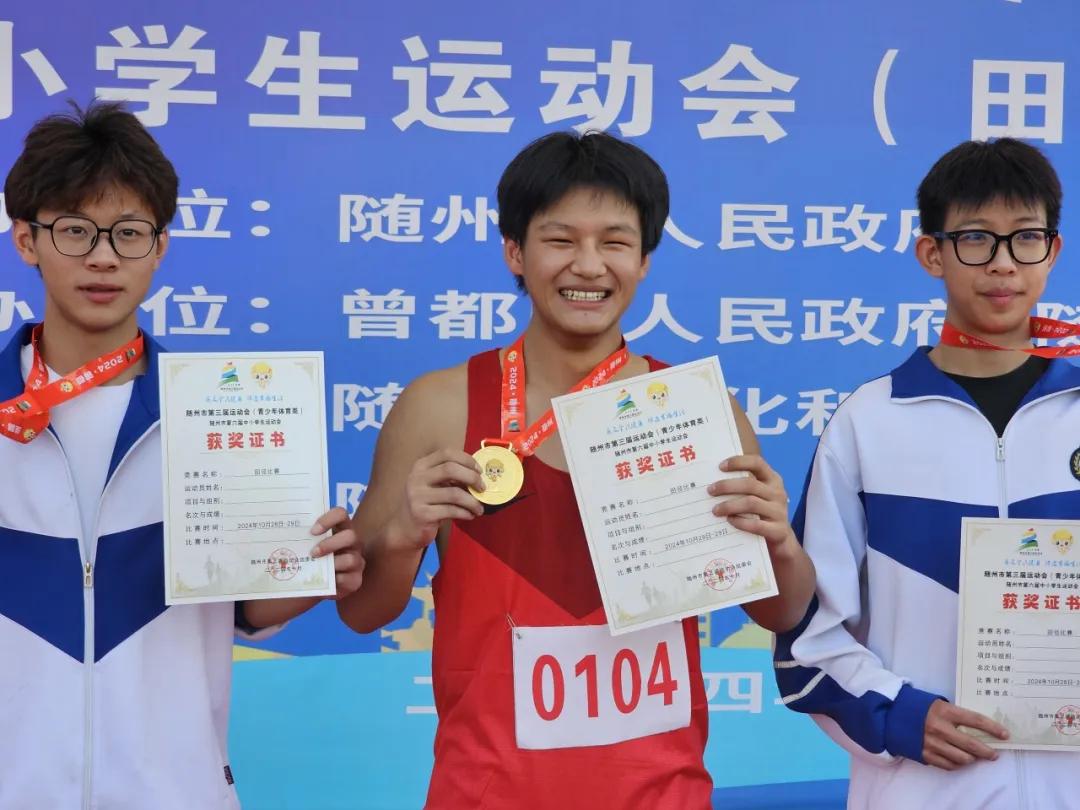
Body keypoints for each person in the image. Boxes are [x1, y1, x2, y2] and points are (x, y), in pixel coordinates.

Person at [332, 130, 815, 808]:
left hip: (662, 794)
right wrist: (403, 536)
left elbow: (782, 611)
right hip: (485, 795)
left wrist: (780, 544)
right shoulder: (438, 406)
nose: (588, 266)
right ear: (515, 252)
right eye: (560, 240)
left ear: (644, 260)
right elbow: (360, 611)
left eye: (615, 242)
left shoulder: (696, 411)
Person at [0, 101, 363, 810]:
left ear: (160, 247)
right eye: (74, 230)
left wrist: (313, 568)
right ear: (26, 240)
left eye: (129, 233)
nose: (103, 256)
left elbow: (248, 608)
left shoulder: (219, 413)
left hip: (175, 792)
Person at [773, 137, 1080, 809]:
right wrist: (899, 715)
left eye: (1026, 238)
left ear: (1053, 251)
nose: (1003, 263)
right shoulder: (867, 423)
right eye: (976, 238)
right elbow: (805, 643)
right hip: (923, 790)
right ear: (931, 254)